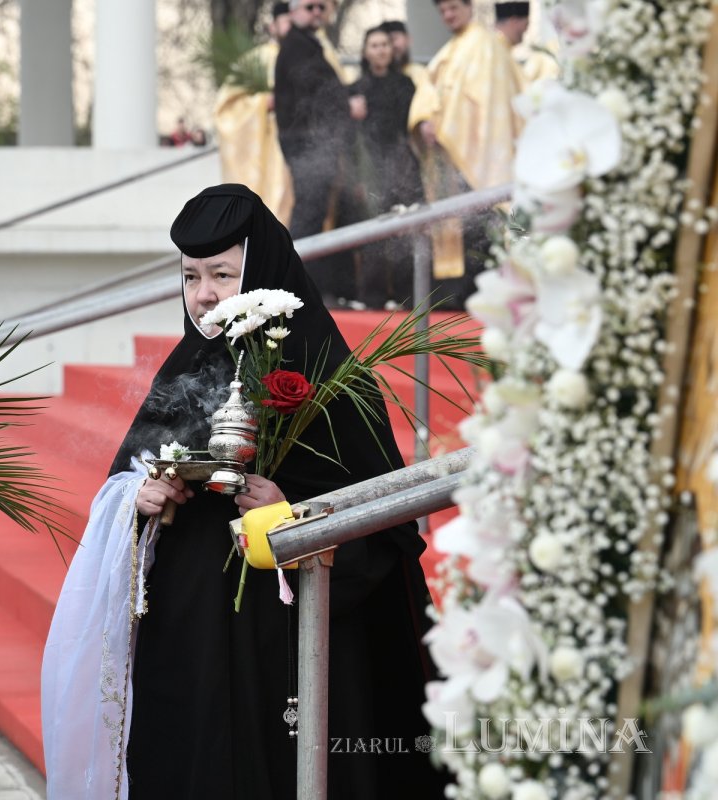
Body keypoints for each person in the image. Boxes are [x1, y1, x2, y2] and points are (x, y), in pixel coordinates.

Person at [42, 184, 444, 799]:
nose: (203, 294)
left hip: (287, 647)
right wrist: (140, 498)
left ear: (264, 272)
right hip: (191, 650)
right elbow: (127, 481)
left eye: (223, 274)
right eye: (190, 276)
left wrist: (297, 517)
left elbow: (386, 532)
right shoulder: (183, 369)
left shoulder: (333, 379)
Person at [413, 0, 524, 307]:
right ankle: (456, 293)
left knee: (484, 220)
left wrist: (447, 125)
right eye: (444, 11)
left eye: (453, 8)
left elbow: (487, 99)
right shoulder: (447, 52)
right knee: (456, 221)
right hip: (451, 153)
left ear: (469, 7)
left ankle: (485, 291)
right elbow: (428, 90)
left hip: (483, 150)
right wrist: (424, 120)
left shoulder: (487, 46)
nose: (449, 15)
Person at [274, 0, 360, 302]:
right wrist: (347, 103)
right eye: (310, 6)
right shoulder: (298, 46)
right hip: (305, 143)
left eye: (321, 7)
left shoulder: (306, 44)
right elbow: (317, 91)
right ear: (294, 11)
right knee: (309, 213)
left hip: (311, 143)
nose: (317, 12)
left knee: (312, 212)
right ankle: (295, 288)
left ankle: (300, 287)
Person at [349, 26, 424, 307]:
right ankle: (373, 297)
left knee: (405, 229)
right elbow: (348, 139)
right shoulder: (355, 90)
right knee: (374, 232)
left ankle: (408, 295)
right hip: (370, 167)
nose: (380, 50)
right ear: (366, 52)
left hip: (402, 162)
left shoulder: (406, 84)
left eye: (384, 44)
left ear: (392, 50)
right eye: (374, 45)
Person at [213, 1, 295, 225]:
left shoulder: (315, 56)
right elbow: (227, 107)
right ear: (272, 27)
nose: (292, 28)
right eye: (287, 22)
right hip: (270, 149)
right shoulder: (255, 59)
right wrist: (262, 103)